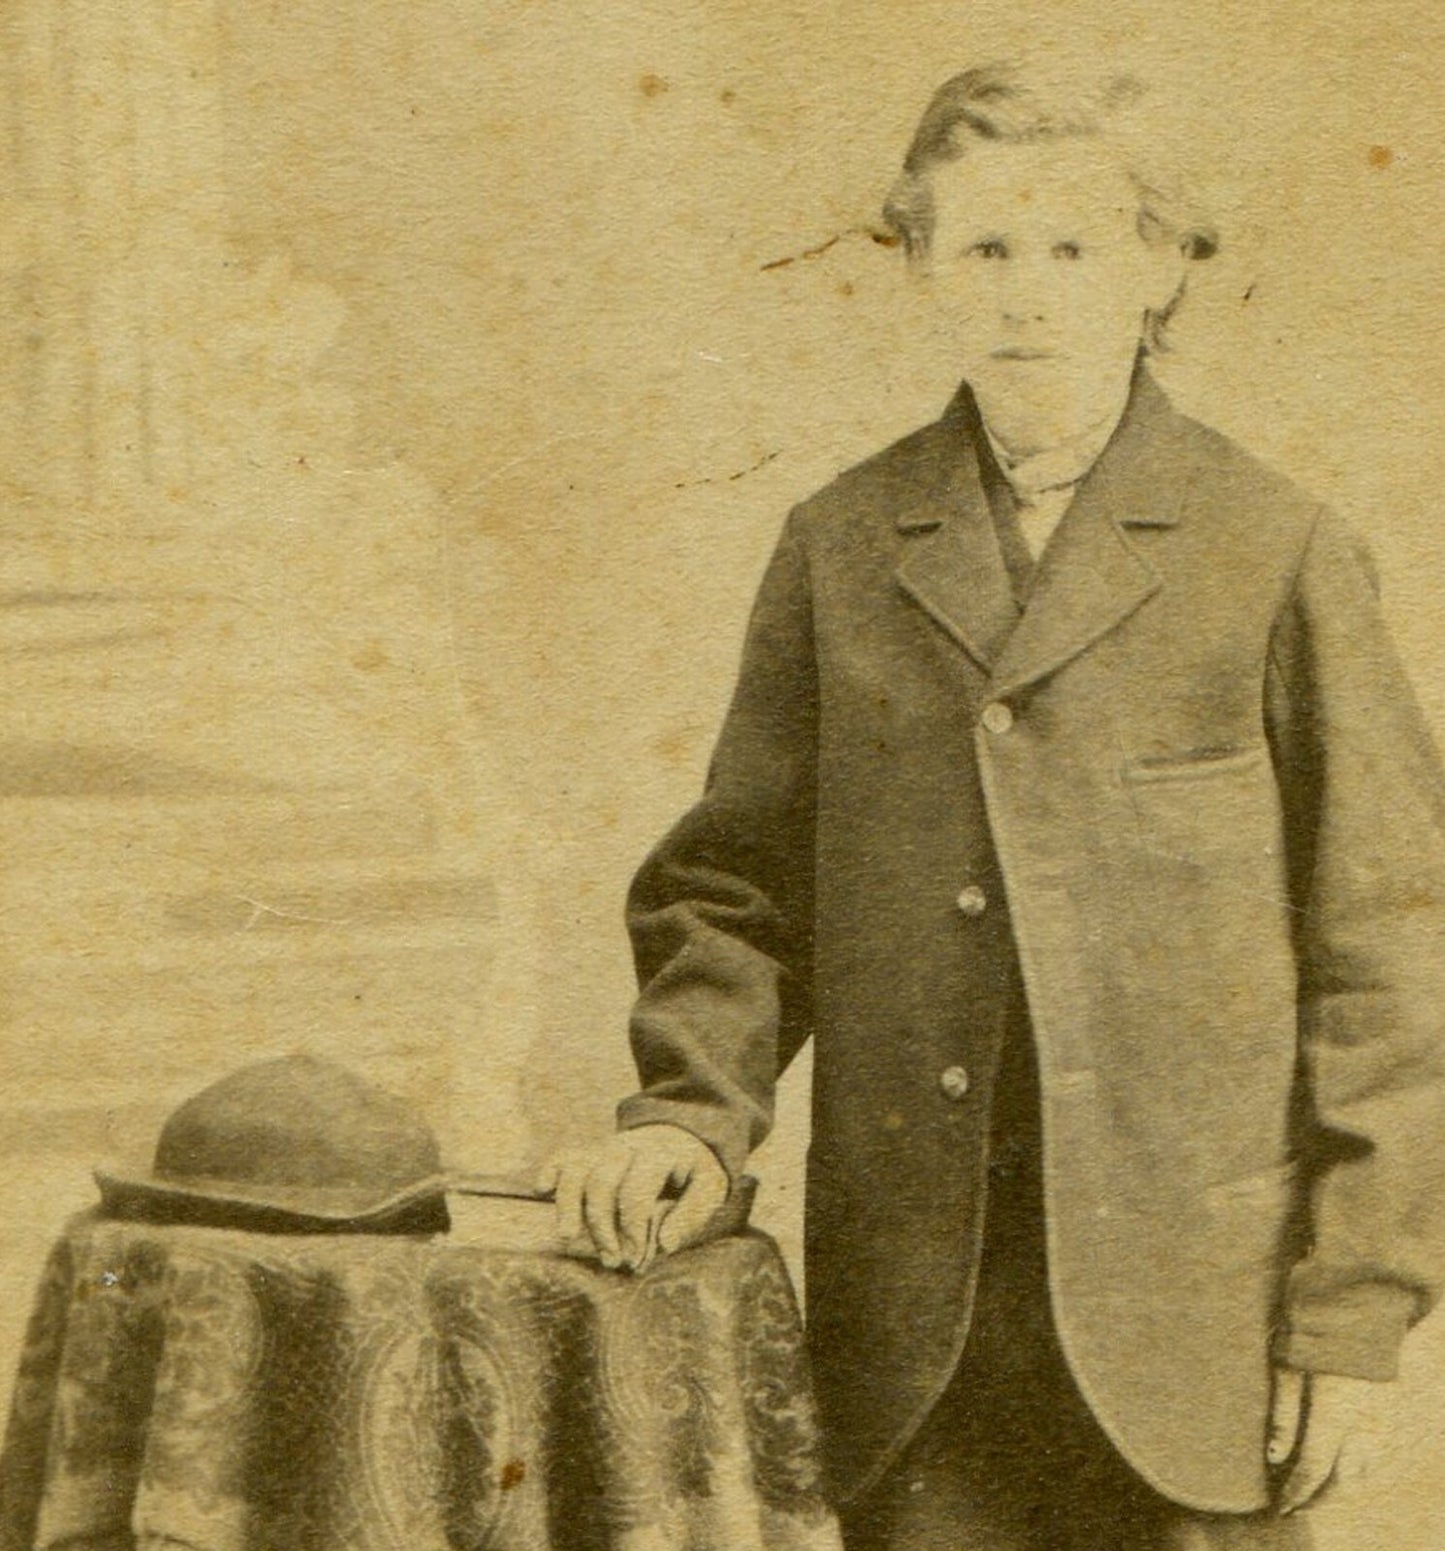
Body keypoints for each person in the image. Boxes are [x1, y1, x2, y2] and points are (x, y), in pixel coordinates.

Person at [545, 61, 1445, 1549]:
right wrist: (691, 1116)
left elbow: (1393, 963)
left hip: (1194, 1332)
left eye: (1072, 249)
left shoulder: (1272, 551)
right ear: (914, 267)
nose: (1027, 296)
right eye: (983, 249)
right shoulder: (841, 544)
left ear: (1157, 263)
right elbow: (740, 891)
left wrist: (1350, 1321)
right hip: (920, 1329)